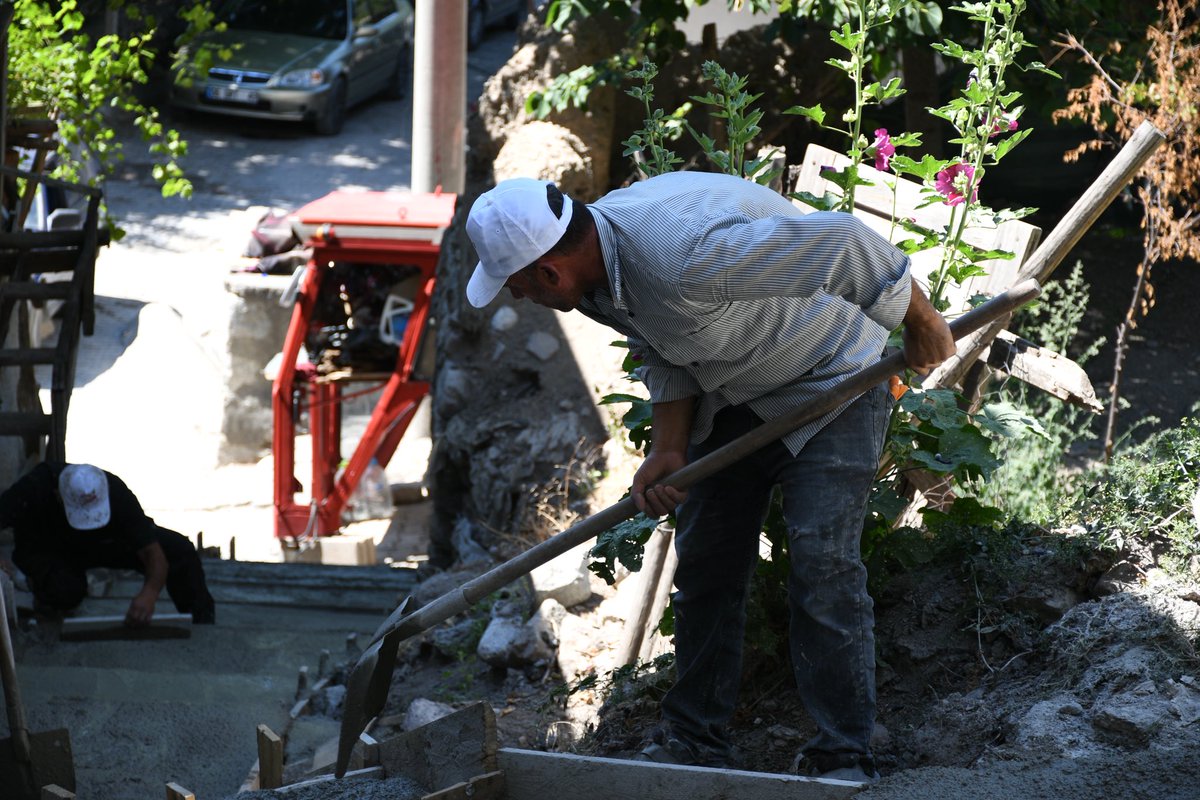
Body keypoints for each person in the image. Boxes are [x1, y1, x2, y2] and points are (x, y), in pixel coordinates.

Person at [464, 172, 956, 782]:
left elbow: (842, 242)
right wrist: (670, 448)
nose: (517, 298)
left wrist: (922, 318)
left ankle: (845, 751)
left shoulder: (680, 260)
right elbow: (662, 346)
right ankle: (694, 739)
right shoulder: (592, 277)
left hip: (831, 381)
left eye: (515, 286)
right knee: (705, 566)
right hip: (735, 397)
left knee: (821, 560)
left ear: (548, 272)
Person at [0, 462, 215, 626]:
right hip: (51, 547)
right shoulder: (33, 488)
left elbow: (153, 551)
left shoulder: (115, 491)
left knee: (179, 550)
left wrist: (149, 593)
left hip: (102, 543)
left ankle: (202, 625)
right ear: (59, 496)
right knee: (66, 591)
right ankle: (40, 600)